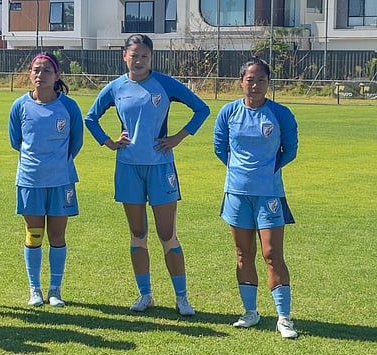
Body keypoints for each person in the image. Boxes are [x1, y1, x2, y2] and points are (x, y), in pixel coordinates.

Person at [84, 34, 209, 316]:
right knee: (138, 233)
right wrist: (109, 142)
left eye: (144, 56)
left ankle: (182, 298)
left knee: (167, 234)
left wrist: (177, 138)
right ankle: (145, 295)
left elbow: (201, 109)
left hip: (161, 167)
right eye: (134, 55)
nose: (138, 61)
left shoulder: (164, 83)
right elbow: (90, 118)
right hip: (128, 167)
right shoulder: (116, 88)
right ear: (124, 56)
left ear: (151, 58)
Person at [213, 58, 299, 339]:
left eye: (261, 80)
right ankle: (250, 313)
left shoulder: (280, 114)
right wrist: (240, 174)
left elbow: (290, 150)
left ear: (268, 83)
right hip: (237, 193)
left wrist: (265, 173)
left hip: (269, 194)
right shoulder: (228, 112)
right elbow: (219, 148)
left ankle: (284, 318)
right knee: (243, 254)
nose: (255, 85)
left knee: (272, 254)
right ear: (241, 82)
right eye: (250, 80)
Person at [8, 53, 84, 308]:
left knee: (57, 235)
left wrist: (57, 163)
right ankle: (35, 289)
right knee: (34, 234)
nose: (41, 75)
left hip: (61, 181)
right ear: (30, 74)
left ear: (57, 75)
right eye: (36, 70)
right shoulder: (20, 106)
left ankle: (55, 289)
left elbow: (76, 143)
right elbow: (15, 141)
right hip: (30, 180)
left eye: (46, 71)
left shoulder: (69, 107)